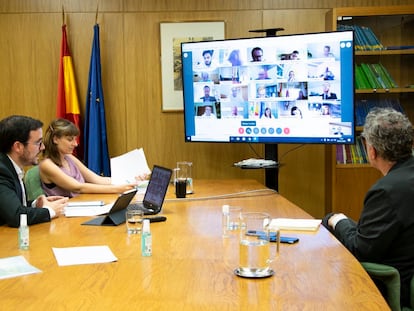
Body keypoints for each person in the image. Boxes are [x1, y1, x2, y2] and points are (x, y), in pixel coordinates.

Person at [322, 108, 414, 308]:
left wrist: (337, 220)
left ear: (371, 151)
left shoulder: (387, 191)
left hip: (391, 288)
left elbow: (361, 251)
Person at [39, 118, 139, 198]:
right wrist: (119, 189)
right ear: (55, 139)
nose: (75, 144)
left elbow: (98, 179)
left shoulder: (69, 158)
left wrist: (130, 180)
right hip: (65, 213)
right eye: (70, 140)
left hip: (83, 203)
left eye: (75, 139)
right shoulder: (46, 164)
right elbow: (78, 187)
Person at [0, 115, 68, 227]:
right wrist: (49, 211)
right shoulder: (2, 171)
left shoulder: (9, 166)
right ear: (18, 147)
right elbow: (16, 216)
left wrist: (36, 204)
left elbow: (10, 206)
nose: (42, 148)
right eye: (38, 143)